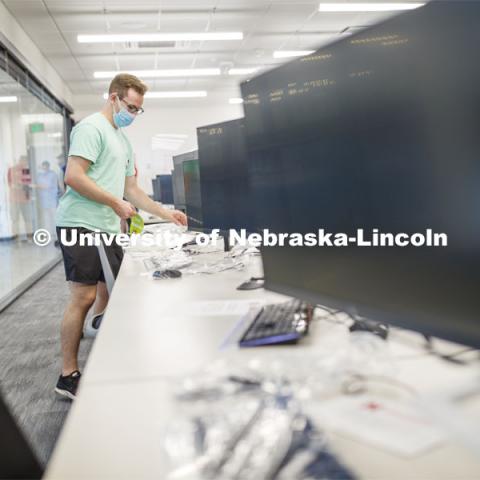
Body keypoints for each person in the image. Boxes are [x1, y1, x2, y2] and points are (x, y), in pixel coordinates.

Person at [55, 73, 187, 399]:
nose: (133, 113)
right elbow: (74, 176)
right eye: (130, 106)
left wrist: (166, 214)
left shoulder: (122, 140)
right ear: (113, 97)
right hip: (80, 222)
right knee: (83, 296)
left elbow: (132, 190)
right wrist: (115, 201)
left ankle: (104, 348)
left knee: (111, 290)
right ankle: (67, 374)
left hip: (107, 225)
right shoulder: (91, 128)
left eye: (138, 109)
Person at [7, 156, 33, 240]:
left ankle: (29, 237)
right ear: (20, 160)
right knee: (15, 219)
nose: (25, 163)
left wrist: (20, 185)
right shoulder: (11, 169)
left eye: (26, 162)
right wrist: (20, 185)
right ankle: (16, 238)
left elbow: (27, 185)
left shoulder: (26, 170)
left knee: (28, 219)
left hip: (25, 199)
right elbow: (10, 184)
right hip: (14, 200)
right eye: (24, 161)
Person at [37, 161, 62, 236]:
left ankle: (56, 234)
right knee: (46, 218)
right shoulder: (40, 175)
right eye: (42, 166)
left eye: (44, 166)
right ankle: (48, 233)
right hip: (44, 200)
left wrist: (34, 186)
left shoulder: (52, 174)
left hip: (52, 200)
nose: (43, 167)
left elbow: (46, 186)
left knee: (54, 217)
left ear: (47, 166)